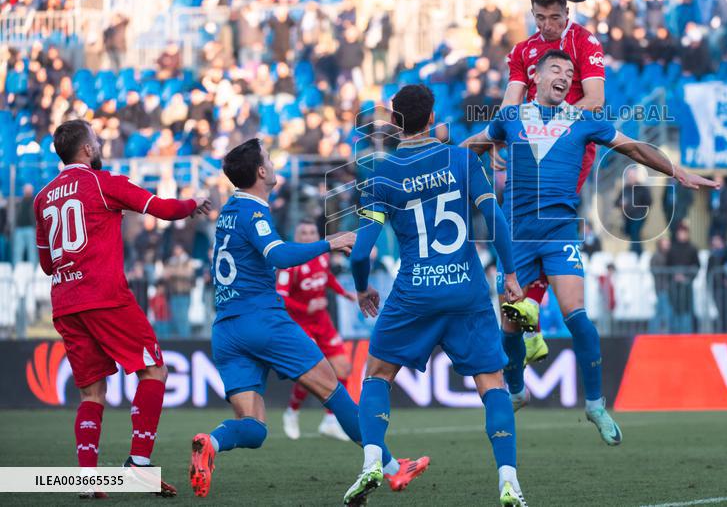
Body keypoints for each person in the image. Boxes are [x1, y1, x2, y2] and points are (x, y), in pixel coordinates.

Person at [462, 50, 718, 439]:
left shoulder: (583, 120)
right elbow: (475, 145)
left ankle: (596, 405)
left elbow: (632, 147)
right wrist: (435, 164)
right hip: (515, 235)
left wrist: (675, 170)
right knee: (509, 328)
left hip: (560, 231)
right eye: (557, 69)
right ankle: (516, 390)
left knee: (576, 315)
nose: (565, 76)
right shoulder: (509, 118)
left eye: (570, 71)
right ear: (536, 75)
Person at [189, 139, 428, 498]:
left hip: (226, 329)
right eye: (269, 158)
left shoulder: (229, 210)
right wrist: (330, 242)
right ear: (261, 172)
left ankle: (212, 442)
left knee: (253, 429)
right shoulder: (253, 211)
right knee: (334, 390)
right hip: (263, 321)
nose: (272, 162)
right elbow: (279, 255)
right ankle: (393, 469)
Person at [343, 84, 527, 507]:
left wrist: (361, 287)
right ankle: (509, 481)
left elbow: (359, 252)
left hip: (414, 294)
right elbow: (494, 216)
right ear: (432, 117)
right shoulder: (462, 159)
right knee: (492, 384)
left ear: (394, 121)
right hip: (466, 290)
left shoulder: (381, 174)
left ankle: (373, 459)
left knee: (376, 375)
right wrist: (510, 273)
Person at [34, 119, 211, 497]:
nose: (99, 146)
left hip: (65, 303)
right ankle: (138, 465)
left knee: (91, 393)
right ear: (86, 150)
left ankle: (86, 480)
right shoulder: (103, 183)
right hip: (105, 296)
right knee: (154, 369)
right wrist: (193, 203)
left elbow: (47, 265)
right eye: (96, 142)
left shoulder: (42, 198)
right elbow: (162, 209)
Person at [495, 0, 608, 366]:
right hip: (528, 140)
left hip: (569, 145)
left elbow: (595, 100)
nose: (547, 25)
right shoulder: (522, 51)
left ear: (568, 12)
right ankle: (528, 321)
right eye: (540, 18)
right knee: (517, 224)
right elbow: (512, 100)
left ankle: (531, 313)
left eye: (555, 17)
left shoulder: (584, 42)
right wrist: (500, 135)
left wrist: (555, 127)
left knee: (546, 218)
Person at [278, 220, 359, 442]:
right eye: (303, 233)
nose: (308, 236)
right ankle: (292, 412)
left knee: (343, 367)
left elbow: (327, 277)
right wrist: (306, 307)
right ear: (297, 235)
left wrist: (345, 293)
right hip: (300, 323)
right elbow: (281, 297)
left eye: (312, 232)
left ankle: (330, 421)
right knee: (312, 372)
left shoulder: (322, 255)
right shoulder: (289, 263)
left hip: (322, 321)